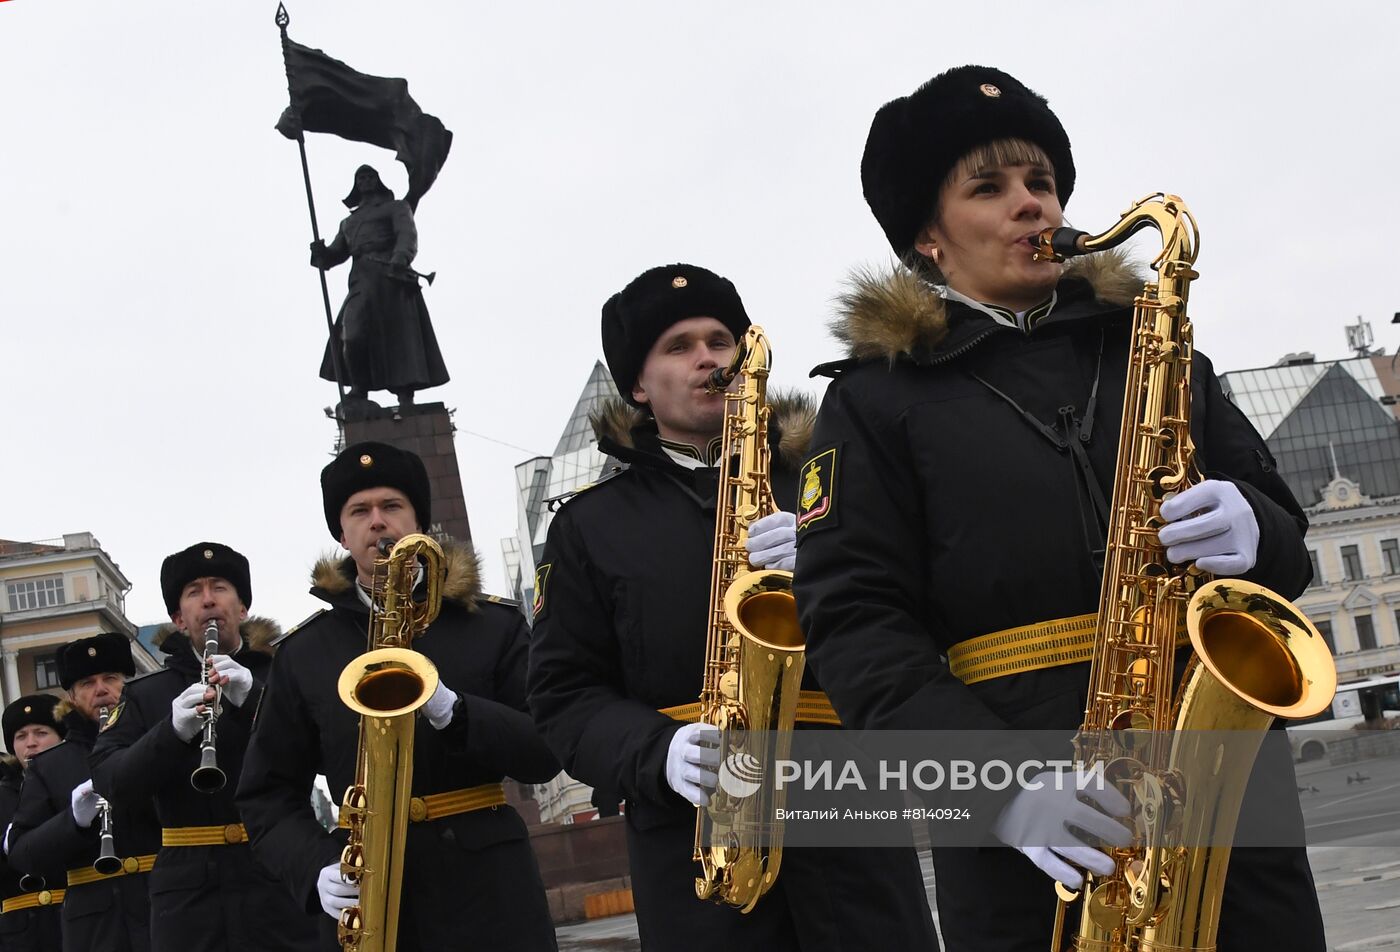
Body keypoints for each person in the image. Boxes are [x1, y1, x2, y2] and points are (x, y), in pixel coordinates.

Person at [793, 65, 1326, 952]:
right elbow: (854, 623)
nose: (1031, 205)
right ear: (927, 236)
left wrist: (1255, 527)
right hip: (1034, 822)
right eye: (990, 187)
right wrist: (992, 783)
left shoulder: (1160, 349)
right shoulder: (872, 401)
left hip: (1227, 787)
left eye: (1041, 182)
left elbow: (1289, 549)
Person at [527, 263, 940, 951]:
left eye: (721, 339)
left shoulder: (825, 479)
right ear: (636, 384)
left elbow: (920, 613)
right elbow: (563, 695)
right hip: (695, 831)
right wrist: (656, 751)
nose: (708, 357)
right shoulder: (587, 527)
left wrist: (834, 568)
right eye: (679, 345)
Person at [236, 441, 559, 952]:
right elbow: (266, 793)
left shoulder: (492, 626)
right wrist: (316, 866)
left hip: (490, 894)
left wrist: (455, 712)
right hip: (369, 891)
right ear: (342, 533)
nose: (378, 523)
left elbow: (546, 749)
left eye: (392, 507)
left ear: (420, 522)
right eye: (359, 512)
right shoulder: (304, 652)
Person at [89, 542, 318, 951]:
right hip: (186, 895)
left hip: (276, 872)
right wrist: (171, 731)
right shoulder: (146, 694)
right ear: (179, 618)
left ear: (243, 608)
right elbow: (112, 781)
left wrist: (255, 703)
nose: (209, 600)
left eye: (220, 588)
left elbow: (319, 756)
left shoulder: (282, 671)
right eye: (194, 592)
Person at [8, 634, 158, 952]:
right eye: (87, 683)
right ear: (72, 697)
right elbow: (24, 853)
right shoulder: (49, 766)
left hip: (165, 906)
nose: (101, 690)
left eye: (111, 679)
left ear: (128, 684)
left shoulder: (157, 743)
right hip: (95, 928)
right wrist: (74, 821)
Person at [312, 165, 449, 410]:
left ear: (378, 181)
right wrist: (321, 254)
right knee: (351, 334)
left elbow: (407, 235)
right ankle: (359, 387)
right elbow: (335, 255)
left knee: (400, 335)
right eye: (360, 177)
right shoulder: (349, 221)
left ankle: (405, 395)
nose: (365, 181)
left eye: (369, 176)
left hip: (390, 275)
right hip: (361, 278)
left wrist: (400, 258)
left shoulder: (396, 207)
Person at [0, 695, 67, 951]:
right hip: (19, 932)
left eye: (41, 732)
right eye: (21, 736)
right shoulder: (3, 796)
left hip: (82, 917)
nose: (31, 743)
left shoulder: (81, 783)